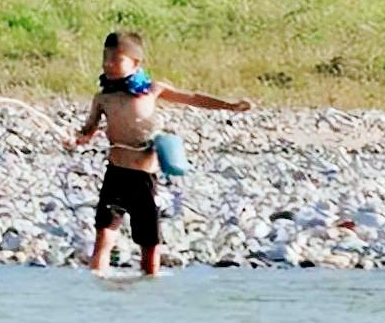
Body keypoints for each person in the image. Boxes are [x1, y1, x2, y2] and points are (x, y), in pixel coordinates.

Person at [66, 31, 252, 275]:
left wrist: (229, 106)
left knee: (149, 244)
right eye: (105, 59)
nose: (108, 64)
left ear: (135, 63)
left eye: (116, 59)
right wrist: (77, 138)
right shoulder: (103, 97)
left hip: (144, 177)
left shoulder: (152, 90)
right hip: (116, 174)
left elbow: (192, 98)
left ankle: (151, 283)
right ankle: (97, 279)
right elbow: (88, 130)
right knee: (104, 233)